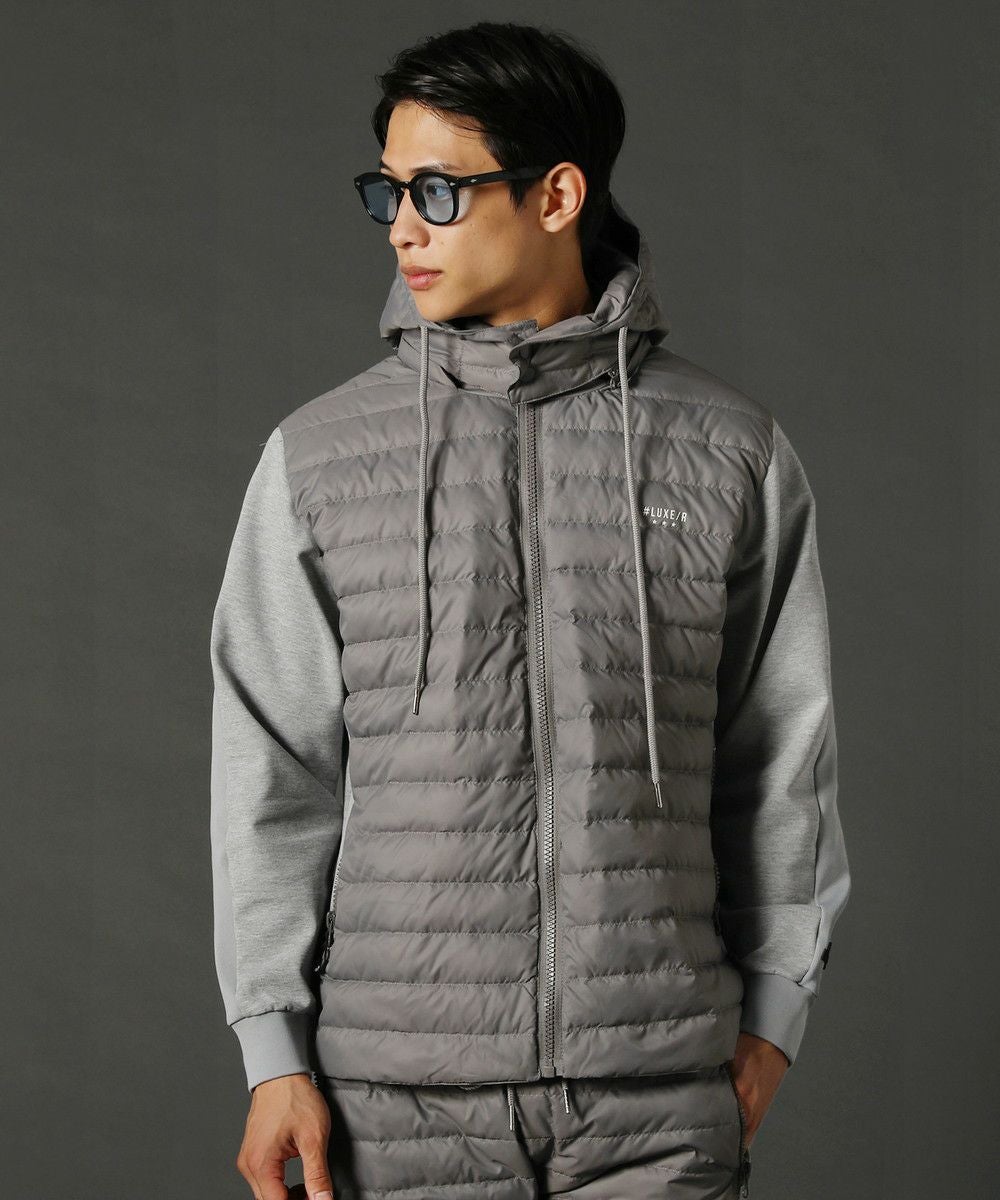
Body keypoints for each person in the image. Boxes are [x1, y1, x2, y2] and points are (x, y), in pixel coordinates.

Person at [209, 20, 851, 1200]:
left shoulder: (729, 450)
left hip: (659, 1100)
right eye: (388, 191)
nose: (402, 226)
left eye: (439, 191)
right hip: (392, 1102)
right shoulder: (319, 457)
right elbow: (272, 770)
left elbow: (780, 758)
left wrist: (773, 1021)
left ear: (556, 195)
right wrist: (272, 1054)